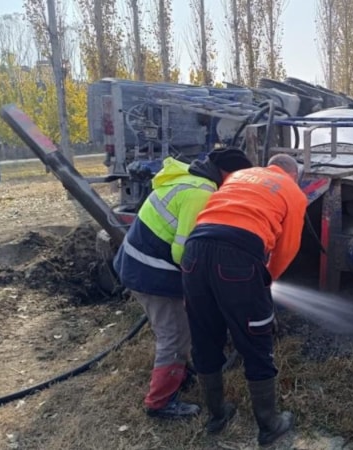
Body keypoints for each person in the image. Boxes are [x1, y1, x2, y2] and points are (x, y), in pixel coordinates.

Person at [112, 147, 253, 420]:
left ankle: (179, 373)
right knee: (174, 335)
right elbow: (184, 253)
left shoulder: (193, 176)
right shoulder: (201, 193)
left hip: (141, 263)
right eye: (238, 179)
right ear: (227, 173)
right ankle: (160, 403)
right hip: (151, 273)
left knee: (182, 326)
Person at [181, 154, 307, 446]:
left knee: (204, 335)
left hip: (194, 252)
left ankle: (217, 415)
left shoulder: (239, 176)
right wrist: (266, 280)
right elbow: (287, 248)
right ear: (293, 175)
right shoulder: (292, 191)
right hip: (237, 258)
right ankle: (269, 424)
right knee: (256, 340)